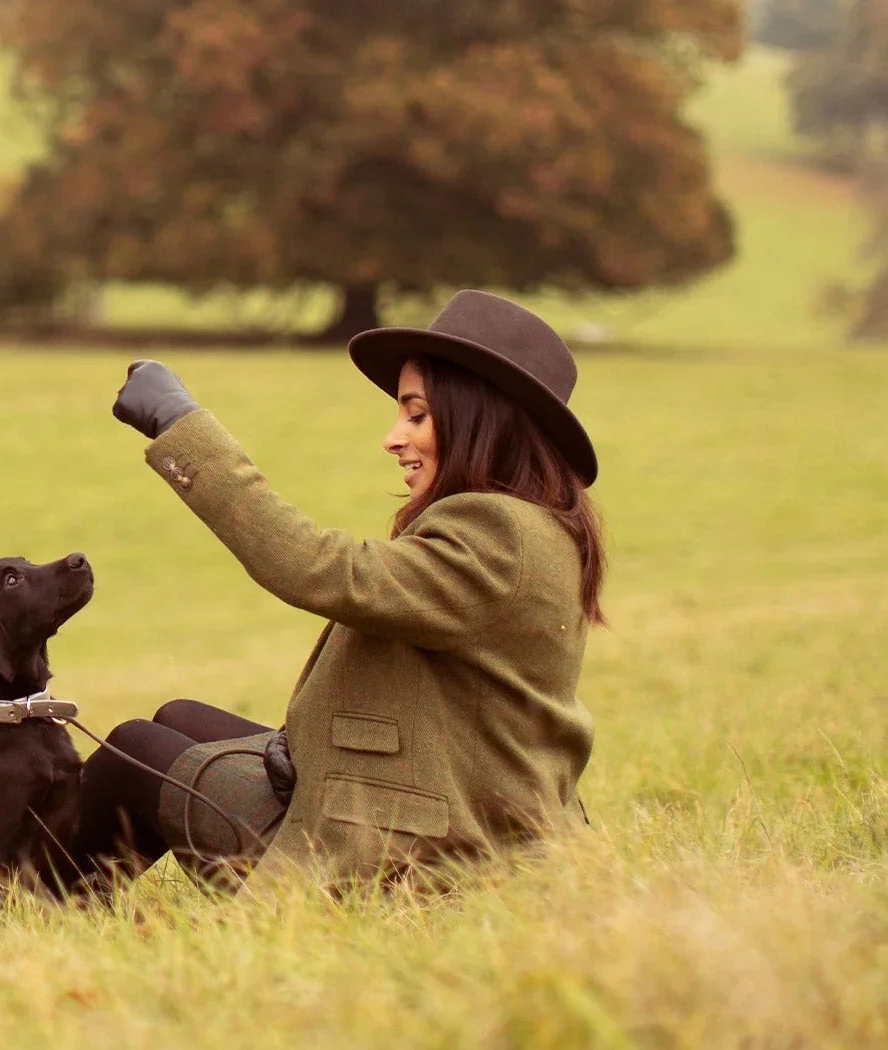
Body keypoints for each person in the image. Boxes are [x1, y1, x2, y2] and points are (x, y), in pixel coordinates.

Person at [63, 290, 607, 895]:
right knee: (178, 718)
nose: (394, 437)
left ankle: (22, 906)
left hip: (412, 857)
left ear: (482, 418)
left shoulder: (498, 533)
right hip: (452, 810)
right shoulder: (538, 528)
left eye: (417, 414)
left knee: (134, 748)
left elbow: (316, 567)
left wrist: (180, 423)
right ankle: (87, 902)